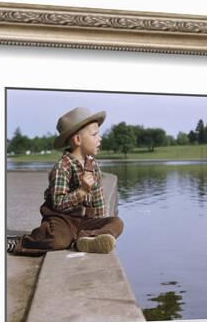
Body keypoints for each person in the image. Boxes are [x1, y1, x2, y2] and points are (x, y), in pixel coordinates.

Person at [9, 107, 124, 256]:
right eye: (95, 134)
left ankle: (88, 238)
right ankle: (24, 242)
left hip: (85, 222)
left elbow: (98, 196)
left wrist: (100, 222)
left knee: (117, 222)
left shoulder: (93, 165)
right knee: (58, 240)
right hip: (63, 219)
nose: (99, 138)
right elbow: (58, 203)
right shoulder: (62, 167)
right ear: (77, 140)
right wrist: (81, 191)